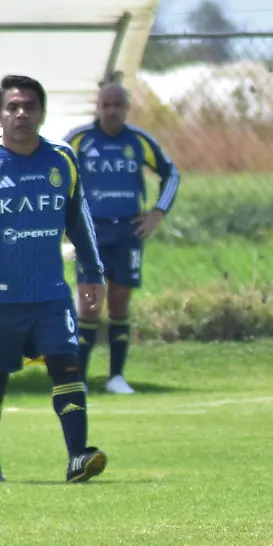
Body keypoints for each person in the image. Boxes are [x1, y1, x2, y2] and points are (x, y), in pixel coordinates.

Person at [0, 74, 108, 483]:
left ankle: (77, 459)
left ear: (42, 113)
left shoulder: (61, 159)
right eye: (13, 107)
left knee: (67, 365)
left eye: (29, 106)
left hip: (50, 294)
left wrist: (93, 271)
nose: (21, 113)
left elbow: (78, 218)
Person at [64, 82, 181, 395]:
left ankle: (116, 377)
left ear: (127, 108)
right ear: (98, 107)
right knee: (90, 301)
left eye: (118, 105)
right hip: (91, 231)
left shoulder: (138, 141)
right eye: (106, 105)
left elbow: (171, 173)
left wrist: (157, 213)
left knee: (119, 299)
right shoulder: (79, 139)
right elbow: (53, 173)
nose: (112, 111)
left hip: (128, 231)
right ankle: (78, 377)